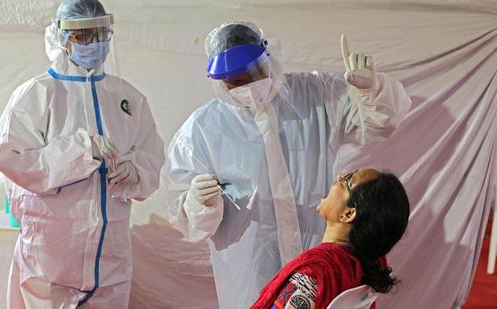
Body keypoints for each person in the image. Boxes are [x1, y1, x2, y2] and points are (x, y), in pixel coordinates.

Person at [165, 21, 412, 308]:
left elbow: (380, 125)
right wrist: (198, 203)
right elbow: (186, 218)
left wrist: (372, 90)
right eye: (234, 79)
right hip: (249, 269)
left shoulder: (318, 95)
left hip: (319, 261)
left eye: (252, 71)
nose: (246, 84)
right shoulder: (203, 130)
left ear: (268, 56)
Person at [0, 0, 165, 307]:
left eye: (99, 34)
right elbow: (13, 160)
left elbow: (151, 154)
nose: (94, 44)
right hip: (51, 259)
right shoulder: (37, 94)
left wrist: (136, 169)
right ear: (61, 39)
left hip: (110, 260)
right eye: (82, 36)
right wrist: (79, 151)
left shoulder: (127, 97)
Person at [251, 168, 410, 308]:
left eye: (348, 179)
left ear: (348, 214)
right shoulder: (365, 268)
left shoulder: (316, 272)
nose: (339, 177)